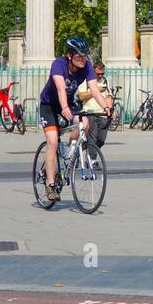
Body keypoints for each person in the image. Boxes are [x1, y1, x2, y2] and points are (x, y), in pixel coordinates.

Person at [39, 39, 109, 201]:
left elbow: (95, 90)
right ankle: (50, 185)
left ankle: (70, 150)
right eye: (78, 56)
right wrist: (64, 107)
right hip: (49, 105)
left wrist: (106, 107)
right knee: (53, 141)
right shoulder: (59, 64)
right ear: (69, 56)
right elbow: (60, 89)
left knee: (85, 124)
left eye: (84, 56)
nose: (82, 60)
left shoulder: (87, 67)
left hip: (68, 104)